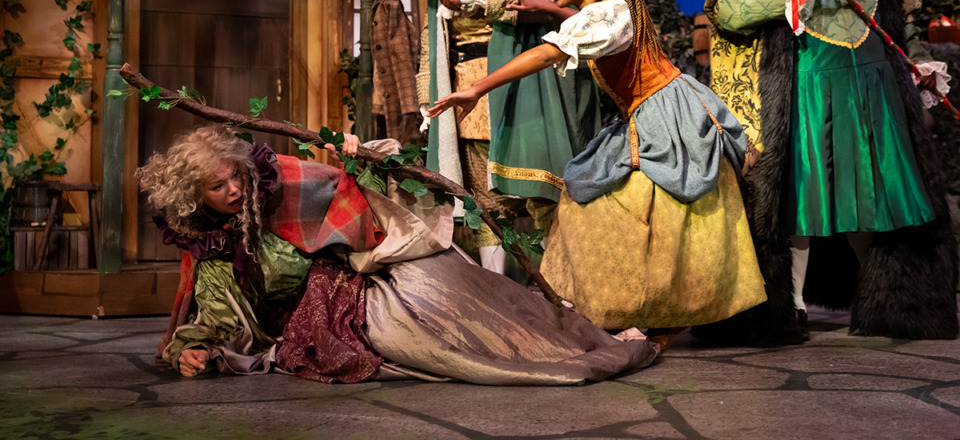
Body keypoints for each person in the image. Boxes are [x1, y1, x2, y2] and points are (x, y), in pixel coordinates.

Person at [428, 0, 767, 344]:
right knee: (593, 204)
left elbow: (549, 52)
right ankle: (611, 309)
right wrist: (549, 7)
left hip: (668, 117)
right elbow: (580, 20)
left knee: (657, 216)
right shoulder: (606, 7)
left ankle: (657, 316)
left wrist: (476, 87)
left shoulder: (613, 11)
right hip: (645, 115)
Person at [140, 125, 657, 384]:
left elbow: (353, 200)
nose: (234, 189)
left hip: (361, 274)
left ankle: (571, 339)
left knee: (457, 289)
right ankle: (545, 358)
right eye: (217, 186)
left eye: (236, 175)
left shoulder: (280, 184)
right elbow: (209, 314)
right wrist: (195, 350)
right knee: (428, 338)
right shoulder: (210, 250)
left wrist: (359, 159)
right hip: (318, 317)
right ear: (194, 197)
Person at [700, 0, 958, 345]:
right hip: (805, 86)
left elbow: (896, 10)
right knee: (796, 194)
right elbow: (728, 9)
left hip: (874, 86)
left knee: (875, 193)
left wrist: (915, 61)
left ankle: (891, 303)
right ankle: (787, 308)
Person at [418, 0, 602, 273]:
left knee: (541, 183)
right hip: (463, 88)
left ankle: (562, 280)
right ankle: (496, 285)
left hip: (525, 84)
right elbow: (431, 40)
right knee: (485, 196)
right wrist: (424, 96)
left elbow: (529, 1)